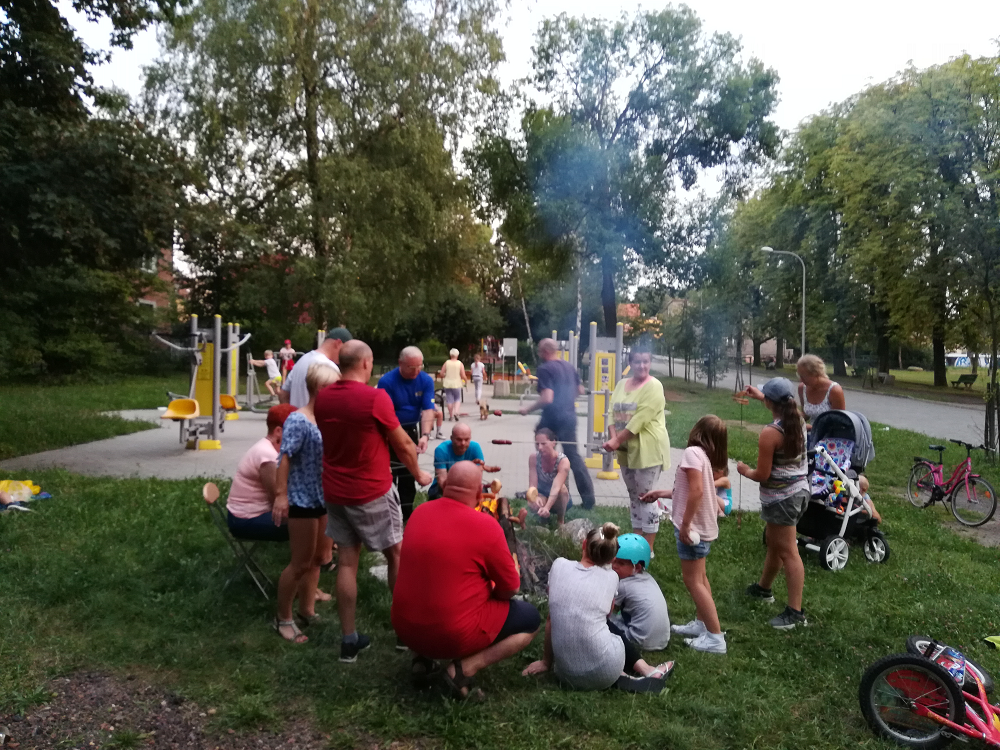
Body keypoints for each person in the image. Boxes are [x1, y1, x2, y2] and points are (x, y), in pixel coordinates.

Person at [315, 340, 433, 663]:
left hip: (335, 492)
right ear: (366, 364)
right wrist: (419, 474)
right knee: (396, 553)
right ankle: (404, 634)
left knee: (347, 562)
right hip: (371, 491)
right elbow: (404, 444)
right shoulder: (374, 398)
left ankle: (349, 641)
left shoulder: (323, 397)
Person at [392, 462, 540, 700]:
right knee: (530, 619)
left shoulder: (419, 513)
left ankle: (421, 660)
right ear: (480, 494)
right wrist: (491, 596)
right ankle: (462, 670)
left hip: (405, 628)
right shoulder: (486, 526)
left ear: (445, 486)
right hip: (450, 635)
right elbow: (511, 587)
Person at [522, 523, 673, 692]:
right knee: (602, 624)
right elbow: (607, 616)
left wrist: (546, 662)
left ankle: (623, 675)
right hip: (605, 670)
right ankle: (632, 672)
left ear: (584, 544)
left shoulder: (559, 565)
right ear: (612, 558)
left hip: (564, 673)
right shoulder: (612, 578)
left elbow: (552, 618)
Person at [640, 415, 729, 653]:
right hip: (703, 528)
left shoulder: (692, 453)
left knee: (693, 581)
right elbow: (688, 489)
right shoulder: (703, 457)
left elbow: (697, 492)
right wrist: (661, 493)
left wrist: (686, 525)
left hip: (693, 529)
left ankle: (715, 638)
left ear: (697, 431)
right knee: (701, 578)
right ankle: (703, 624)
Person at [272, 364, 340, 644]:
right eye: (334, 388)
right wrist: (281, 495)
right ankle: (283, 618)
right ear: (320, 389)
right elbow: (284, 457)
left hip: (323, 497)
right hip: (302, 498)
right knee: (299, 563)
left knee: (317, 559)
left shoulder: (327, 419)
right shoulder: (299, 420)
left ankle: (307, 610)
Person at [736, 377, 810, 630]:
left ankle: (795, 612)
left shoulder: (771, 433)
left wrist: (744, 470)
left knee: (788, 551)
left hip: (782, 498)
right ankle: (764, 589)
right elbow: (782, 405)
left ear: (770, 402)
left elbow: (762, 474)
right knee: (774, 542)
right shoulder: (797, 420)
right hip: (799, 492)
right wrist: (761, 396)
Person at [602, 347, 671, 550]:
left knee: (646, 497)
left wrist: (616, 440)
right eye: (637, 361)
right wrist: (614, 438)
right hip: (626, 450)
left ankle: (647, 549)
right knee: (633, 496)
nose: (642, 366)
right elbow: (611, 412)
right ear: (630, 363)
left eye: (646, 361)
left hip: (648, 450)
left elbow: (640, 419)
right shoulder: (621, 384)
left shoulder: (654, 386)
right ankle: (635, 540)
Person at [519, 338, 595, 510]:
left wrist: (527, 409)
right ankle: (589, 501)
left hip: (551, 418)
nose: (539, 354)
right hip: (569, 417)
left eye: (539, 351)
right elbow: (580, 390)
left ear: (545, 351)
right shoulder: (568, 366)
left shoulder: (545, 368)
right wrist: (566, 400)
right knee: (574, 457)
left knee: (542, 453)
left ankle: (539, 493)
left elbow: (547, 398)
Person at [377, 346, 437, 521]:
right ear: (400, 363)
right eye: (411, 367)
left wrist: (425, 435)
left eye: (420, 366)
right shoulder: (387, 381)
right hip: (389, 432)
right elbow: (386, 413)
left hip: (411, 430)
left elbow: (428, 409)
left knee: (408, 474)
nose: (416, 371)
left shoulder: (425, 380)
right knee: (390, 475)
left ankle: (407, 515)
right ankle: (388, 516)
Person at [226, 404, 296, 542]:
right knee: (307, 522)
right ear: (278, 431)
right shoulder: (268, 456)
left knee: (313, 517)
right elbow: (277, 499)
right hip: (245, 521)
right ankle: (317, 553)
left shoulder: (267, 448)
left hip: (246, 516)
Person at [610, 534, 670, 651]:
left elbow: (605, 608)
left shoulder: (623, 585)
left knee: (602, 621)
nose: (614, 566)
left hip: (638, 640)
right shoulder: (648, 578)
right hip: (662, 640)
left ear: (637, 567)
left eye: (621, 563)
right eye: (614, 561)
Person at [279, 327, 352, 408]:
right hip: (316, 416)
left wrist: (291, 412)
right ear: (338, 343)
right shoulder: (329, 367)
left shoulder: (302, 360)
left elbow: (283, 393)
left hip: (297, 414)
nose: (346, 354)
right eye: (346, 348)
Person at [427, 423, 498, 500]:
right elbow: (442, 482)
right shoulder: (441, 450)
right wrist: (467, 469)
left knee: (482, 493)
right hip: (444, 486)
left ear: (470, 438)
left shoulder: (475, 447)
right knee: (437, 496)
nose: (463, 443)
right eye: (459, 439)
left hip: (467, 485)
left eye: (467, 439)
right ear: (451, 438)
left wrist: (473, 471)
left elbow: (477, 482)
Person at [527, 428, 572, 525]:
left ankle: (560, 520)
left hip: (561, 498)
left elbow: (556, 487)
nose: (539, 447)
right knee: (531, 500)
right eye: (537, 444)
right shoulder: (533, 458)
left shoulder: (563, 461)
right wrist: (535, 497)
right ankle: (543, 518)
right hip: (543, 494)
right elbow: (532, 485)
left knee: (562, 489)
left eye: (543, 444)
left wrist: (547, 507)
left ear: (553, 443)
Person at [439, 348, 466, 422]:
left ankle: (451, 416)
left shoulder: (446, 363)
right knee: (457, 399)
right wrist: (465, 380)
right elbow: (463, 375)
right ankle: (456, 412)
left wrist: (445, 376)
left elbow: (441, 373)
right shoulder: (460, 363)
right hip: (457, 384)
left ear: (450, 355)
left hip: (447, 384)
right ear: (457, 355)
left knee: (449, 400)